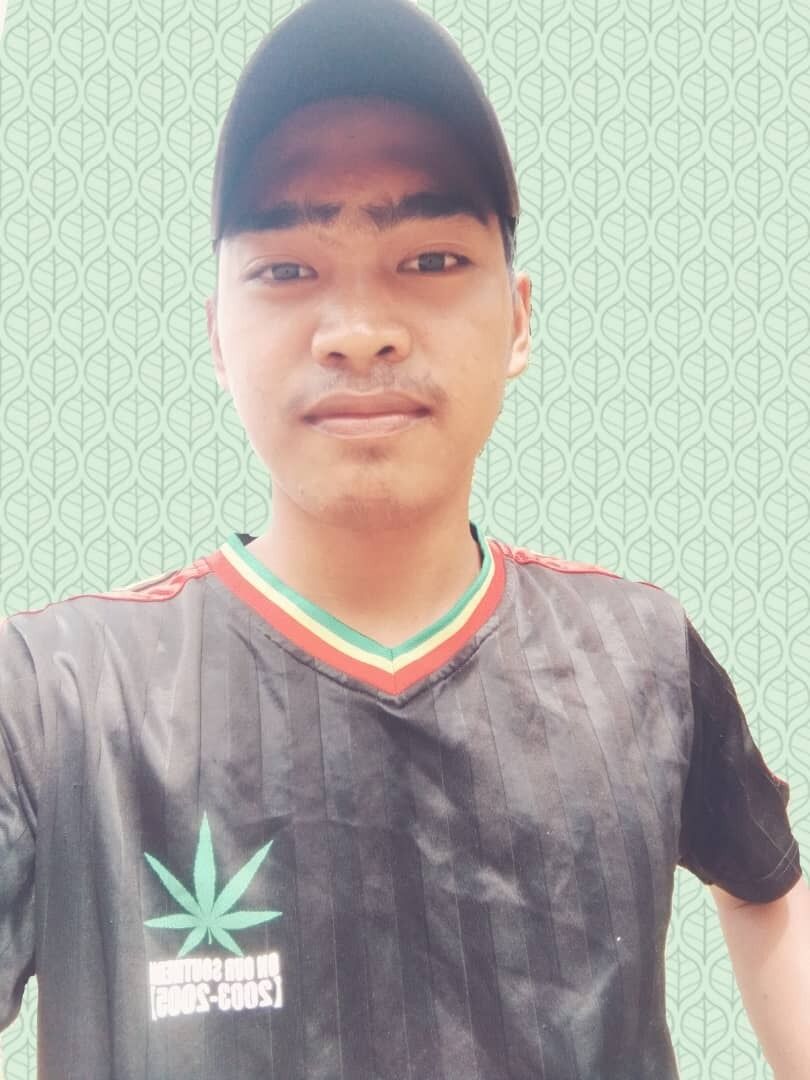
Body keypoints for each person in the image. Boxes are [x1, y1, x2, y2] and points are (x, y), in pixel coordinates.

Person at [0, 0, 807, 1076]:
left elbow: (766, 880)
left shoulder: (641, 652)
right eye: (287, 270)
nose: (359, 331)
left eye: (429, 260)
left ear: (519, 319)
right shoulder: (54, 696)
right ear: (215, 336)